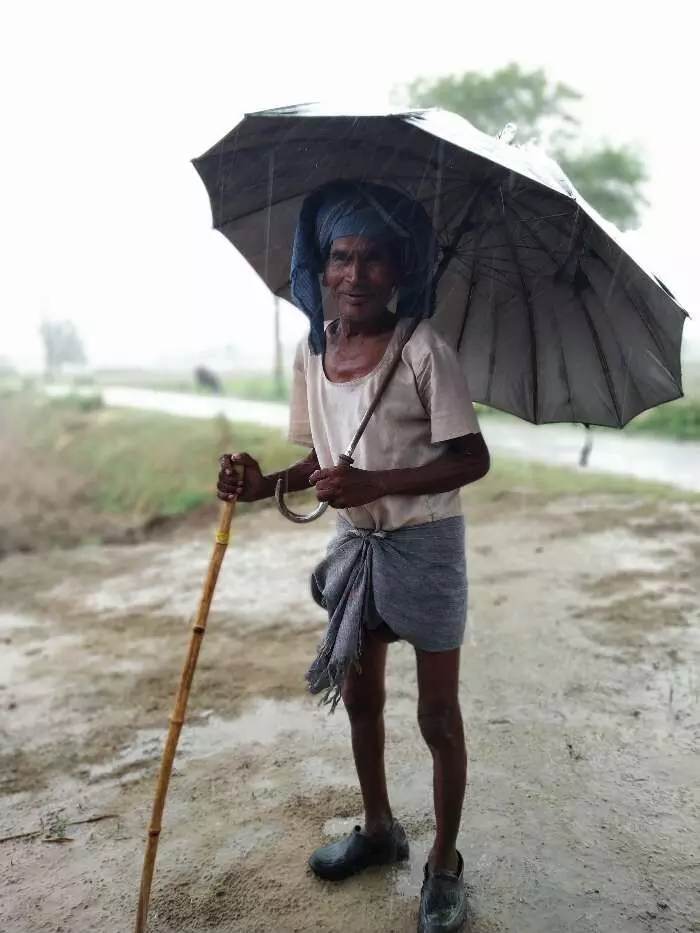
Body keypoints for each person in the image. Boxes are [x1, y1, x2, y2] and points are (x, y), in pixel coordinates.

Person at [217, 180, 490, 933]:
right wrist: (260, 483)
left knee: (436, 714)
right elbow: (320, 461)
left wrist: (377, 481)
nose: (357, 274)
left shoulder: (424, 348)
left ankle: (444, 862)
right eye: (342, 256)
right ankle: (379, 829)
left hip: (427, 547)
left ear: (401, 271)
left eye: (375, 259)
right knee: (362, 699)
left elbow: (472, 457)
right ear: (320, 267)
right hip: (355, 549)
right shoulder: (316, 351)